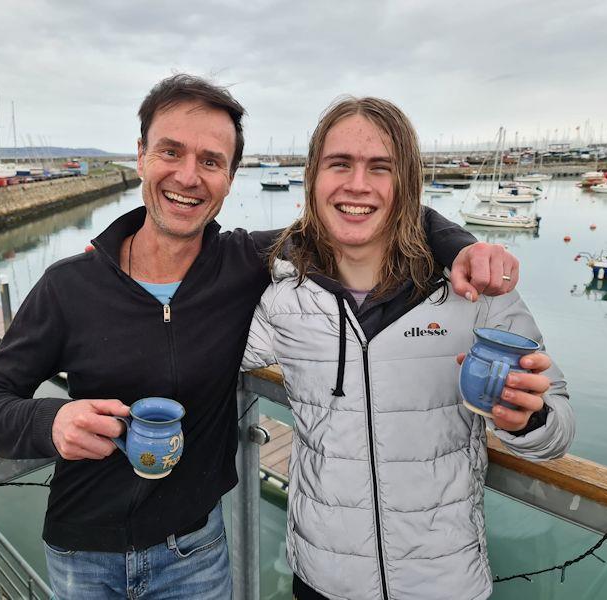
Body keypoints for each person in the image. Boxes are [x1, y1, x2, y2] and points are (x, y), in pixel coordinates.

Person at [0, 75, 522, 599]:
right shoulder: (69, 286)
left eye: (211, 161)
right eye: (170, 152)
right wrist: (50, 421)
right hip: (82, 552)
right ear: (140, 156)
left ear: (230, 178)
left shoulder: (244, 264)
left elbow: (368, 210)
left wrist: (461, 249)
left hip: (195, 554)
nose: (188, 176)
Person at [242, 97, 575, 600]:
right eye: (339, 164)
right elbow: (196, 351)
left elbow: (558, 431)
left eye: (381, 167)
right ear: (313, 177)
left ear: (408, 184)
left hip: (446, 584)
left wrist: (525, 418)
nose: (357, 184)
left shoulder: (474, 294)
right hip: (322, 580)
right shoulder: (282, 298)